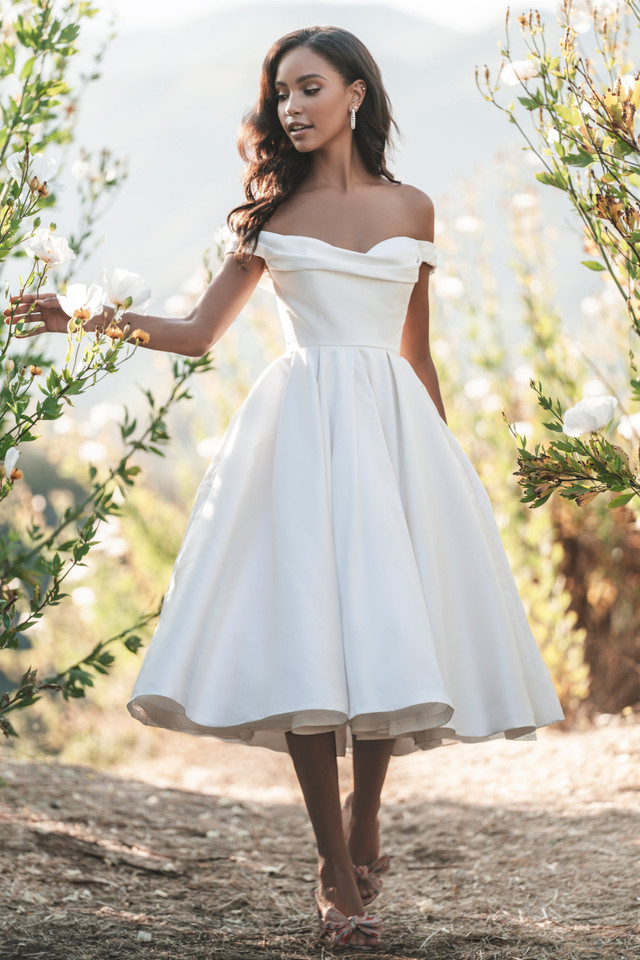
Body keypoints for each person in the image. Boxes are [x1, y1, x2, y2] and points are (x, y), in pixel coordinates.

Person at [8, 25, 565, 953]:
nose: (292, 108)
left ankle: (366, 813)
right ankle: (334, 871)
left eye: (309, 89)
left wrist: (441, 462)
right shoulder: (268, 218)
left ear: (356, 94)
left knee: (392, 622)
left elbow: (417, 354)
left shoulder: (413, 208)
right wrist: (82, 315)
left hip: (393, 432)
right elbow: (196, 334)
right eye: (280, 95)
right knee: (312, 633)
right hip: (302, 431)